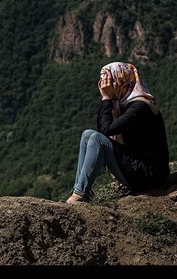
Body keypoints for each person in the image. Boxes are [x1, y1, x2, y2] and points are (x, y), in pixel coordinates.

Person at [66, 62, 170, 204]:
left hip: (150, 175)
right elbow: (103, 129)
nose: (104, 86)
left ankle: (80, 194)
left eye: (109, 81)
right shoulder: (125, 105)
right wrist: (108, 100)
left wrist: (106, 99)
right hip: (137, 166)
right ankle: (79, 189)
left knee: (96, 138)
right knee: (87, 134)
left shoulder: (140, 107)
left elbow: (106, 131)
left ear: (121, 81)